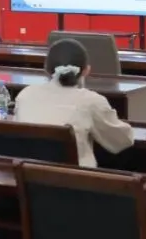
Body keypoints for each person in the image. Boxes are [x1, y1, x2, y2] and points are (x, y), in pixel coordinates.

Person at [12, 38, 134, 167]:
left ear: (46, 68)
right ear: (86, 70)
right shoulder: (91, 101)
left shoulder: (25, 95)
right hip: (76, 178)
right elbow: (122, 141)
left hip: (29, 176)